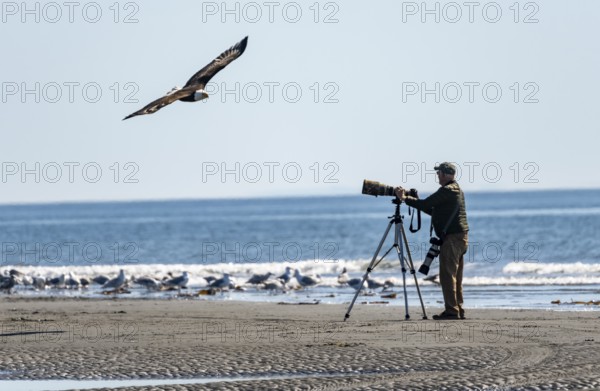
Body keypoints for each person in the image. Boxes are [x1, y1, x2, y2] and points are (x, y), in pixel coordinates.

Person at [395, 162, 469, 320]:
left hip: (452, 239)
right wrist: (413, 201)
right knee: (455, 277)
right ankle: (458, 309)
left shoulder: (448, 190)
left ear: (444, 174)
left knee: (447, 276)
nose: (437, 176)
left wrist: (404, 198)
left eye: (438, 173)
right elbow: (432, 210)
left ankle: (452, 311)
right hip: (460, 237)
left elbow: (427, 204)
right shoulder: (456, 190)